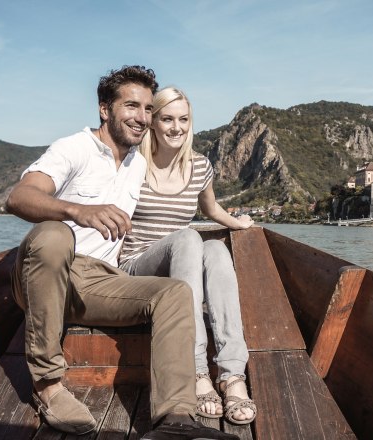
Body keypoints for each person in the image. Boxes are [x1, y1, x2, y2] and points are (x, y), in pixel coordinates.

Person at [6, 66, 237, 440]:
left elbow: (178, 198)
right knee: (54, 235)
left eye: (147, 109)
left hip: (99, 280)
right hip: (50, 271)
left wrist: (229, 224)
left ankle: (175, 419)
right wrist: (77, 211)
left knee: (175, 293)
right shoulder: (74, 148)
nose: (142, 117)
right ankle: (48, 385)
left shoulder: (137, 164)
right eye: (132, 106)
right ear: (104, 109)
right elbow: (19, 197)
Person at [119, 87, 256, 425]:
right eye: (167, 118)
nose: (176, 127)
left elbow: (210, 209)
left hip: (184, 262)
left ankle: (231, 374)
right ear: (153, 122)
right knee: (188, 237)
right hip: (137, 266)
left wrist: (238, 223)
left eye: (183, 119)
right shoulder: (132, 164)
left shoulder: (199, 167)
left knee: (216, 249)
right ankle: (195, 370)